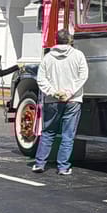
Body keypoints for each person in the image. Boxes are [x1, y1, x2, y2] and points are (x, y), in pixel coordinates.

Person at [32, 29, 88, 176]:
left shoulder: (48, 57)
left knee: (48, 133)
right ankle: (63, 167)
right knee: (67, 135)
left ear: (56, 40)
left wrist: (54, 92)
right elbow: (83, 76)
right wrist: (69, 92)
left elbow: (41, 80)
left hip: (52, 101)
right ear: (70, 40)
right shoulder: (78, 55)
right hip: (73, 100)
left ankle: (39, 163)